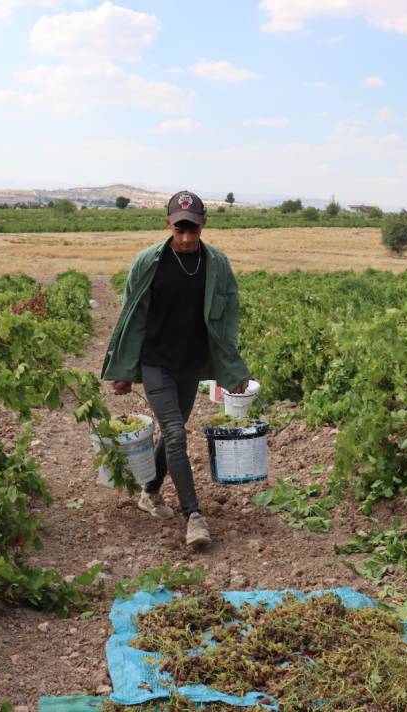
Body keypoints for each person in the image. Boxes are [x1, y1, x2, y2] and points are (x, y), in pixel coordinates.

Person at [101, 190, 251, 547]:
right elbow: (131, 318)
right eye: (179, 229)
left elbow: (226, 322)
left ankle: (149, 492)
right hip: (156, 363)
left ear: (203, 226)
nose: (185, 238)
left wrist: (233, 370)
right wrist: (123, 368)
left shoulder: (216, 264)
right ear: (167, 223)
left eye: (192, 231)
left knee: (173, 433)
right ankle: (194, 517)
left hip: (190, 365)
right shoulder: (147, 262)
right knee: (176, 433)